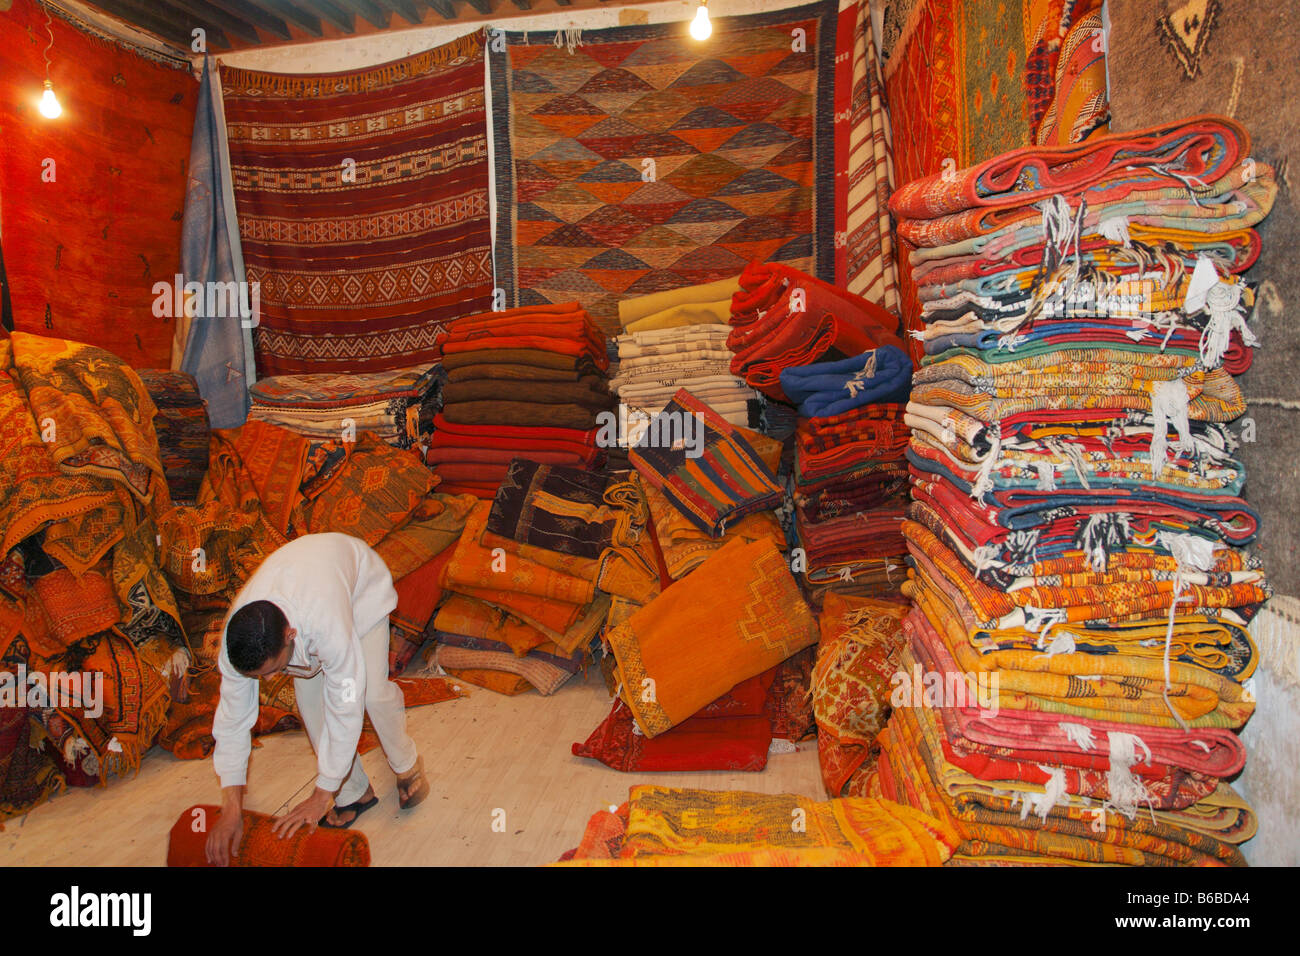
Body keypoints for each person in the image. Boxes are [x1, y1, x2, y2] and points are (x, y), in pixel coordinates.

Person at [204, 533, 429, 866]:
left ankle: (407, 764)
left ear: (290, 636)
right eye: (258, 677)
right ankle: (354, 793)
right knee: (311, 708)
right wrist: (231, 809)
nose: (267, 682)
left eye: (273, 670)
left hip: (359, 594)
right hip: (310, 581)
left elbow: (346, 702)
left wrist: (319, 795)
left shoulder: (325, 621)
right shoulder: (235, 643)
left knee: (370, 695)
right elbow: (233, 722)